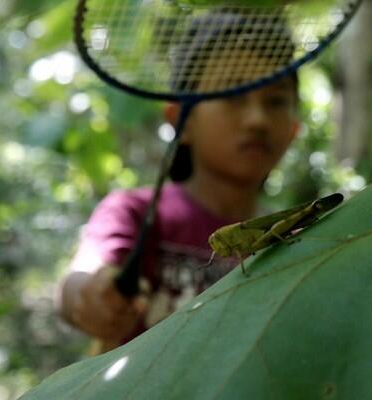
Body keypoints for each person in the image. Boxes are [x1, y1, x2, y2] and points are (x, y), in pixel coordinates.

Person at [57, 9, 301, 353]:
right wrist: (90, 294)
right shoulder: (134, 210)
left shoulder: (296, 236)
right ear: (180, 118)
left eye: (276, 100)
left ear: (294, 130)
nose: (257, 119)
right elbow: (83, 274)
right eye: (233, 94)